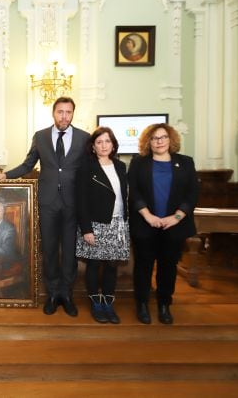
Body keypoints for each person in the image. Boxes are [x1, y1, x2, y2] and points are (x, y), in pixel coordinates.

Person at [0, 96, 90, 317]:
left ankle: (67, 295)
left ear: (73, 113)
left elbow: (90, 169)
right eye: (60, 112)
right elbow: (27, 164)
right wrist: (4, 175)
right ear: (53, 113)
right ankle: (53, 294)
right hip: (48, 202)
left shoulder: (84, 138)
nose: (64, 116)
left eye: (68, 112)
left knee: (70, 252)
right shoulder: (41, 136)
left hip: (74, 203)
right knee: (50, 250)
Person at [128, 123, 199, 325]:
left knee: (168, 267)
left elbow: (192, 193)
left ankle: (164, 304)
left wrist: (176, 217)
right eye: (154, 138)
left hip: (174, 226)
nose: (159, 141)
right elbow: (133, 192)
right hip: (145, 224)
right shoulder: (138, 163)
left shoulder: (185, 162)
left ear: (171, 140)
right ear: (148, 142)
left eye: (163, 137)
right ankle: (142, 304)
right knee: (143, 266)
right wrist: (148, 215)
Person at [75, 127, 129, 324]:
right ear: (93, 146)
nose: (104, 145)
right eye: (99, 142)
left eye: (107, 141)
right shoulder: (86, 167)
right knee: (94, 264)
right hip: (96, 224)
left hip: (117, 223)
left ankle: (108, 302)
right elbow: (80, 200)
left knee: (112, 265)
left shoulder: (121, 166)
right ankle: (96, 304)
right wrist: (86, 229)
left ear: (113, 144)